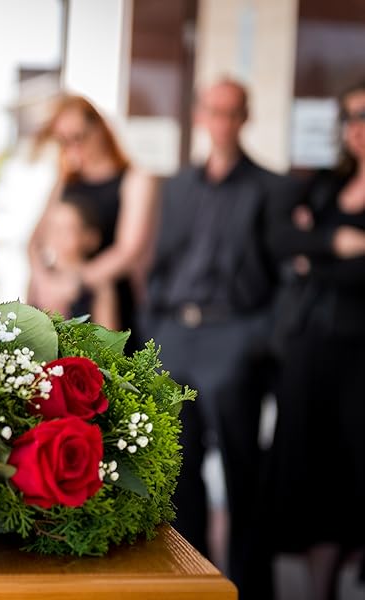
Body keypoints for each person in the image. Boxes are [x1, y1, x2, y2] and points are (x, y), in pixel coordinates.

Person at [144, 78, 289, 598]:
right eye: (213, 111)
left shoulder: (272, 188)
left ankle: (250, 587)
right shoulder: (177, 186)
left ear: (244, 118)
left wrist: (259, 340)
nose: (222, 122)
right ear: (201, 115)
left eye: (232, 112)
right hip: (178, 334)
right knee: (178, 474)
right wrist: (156, 330)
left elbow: (283, 278)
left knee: (241, 470)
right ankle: (192, 583)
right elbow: (159, 265)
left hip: (236, 335)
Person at [263, 78, 365, 600]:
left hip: (360, 355)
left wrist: (315, 257)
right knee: (312, 471)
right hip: (309, 346)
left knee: (356, 469)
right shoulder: (325, 186)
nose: (357, 128)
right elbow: (282, 240)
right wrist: (337, 241)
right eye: (349, 117)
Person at [26, 94, 157, 347]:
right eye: (63, 140)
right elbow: (35, 242)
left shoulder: (135, 178)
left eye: (79, 136)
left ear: (99, 128)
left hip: (110, 305)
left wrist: (74, 283)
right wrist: (45, 283)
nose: (72, 147)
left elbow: (128, 250)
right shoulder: (66, 181)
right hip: (58, 302)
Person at [39, 197, 119, 330]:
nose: (58, 234)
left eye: (68, 228)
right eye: (53, 227)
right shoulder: (42, 277)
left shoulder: (99, 286)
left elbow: (109, 342)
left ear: (90, 238)